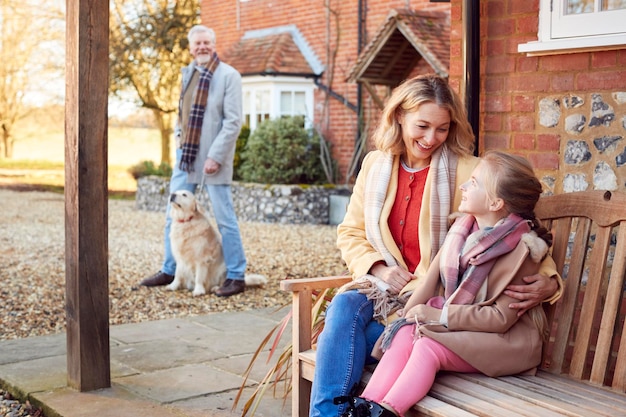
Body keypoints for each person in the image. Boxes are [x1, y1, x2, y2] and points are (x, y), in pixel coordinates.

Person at [310, 74, 563, 417]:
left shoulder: (469, 171)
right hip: (385, 291)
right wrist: (378, 267)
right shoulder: (375, 165)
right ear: (399, 116)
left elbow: (517, 226)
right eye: (423, 126)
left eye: (442, 129)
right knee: (343, 308)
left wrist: (549, 282)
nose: (431, 139)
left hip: (431, 303)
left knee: (345, 337)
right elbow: (351, 233)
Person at [339, 151, 552, 417]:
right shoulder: (461, 231)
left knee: (428, 346)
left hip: (504, 343)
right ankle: (366, 406)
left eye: (473, 183)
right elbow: (430, 282)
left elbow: (500, 319)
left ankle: (387, 411)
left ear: (496, 202)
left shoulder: (523, 250)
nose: (464, 186)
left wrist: (438, 315)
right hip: (462, 330)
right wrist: (405, 318)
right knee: (407, 333)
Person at [140, 25, 247, 297]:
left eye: (206, 43)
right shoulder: (186, 74)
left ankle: (236, 275)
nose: (201, 47)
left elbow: (233, 122)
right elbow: (182, 117)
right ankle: (169, 268)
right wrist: (178, 140)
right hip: (185, 158)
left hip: (215, 159)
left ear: (213, 44)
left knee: (224, 219)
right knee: (171, 215)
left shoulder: (229, 76)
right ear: (190, 47)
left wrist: (215, 156)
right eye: (197, 43)